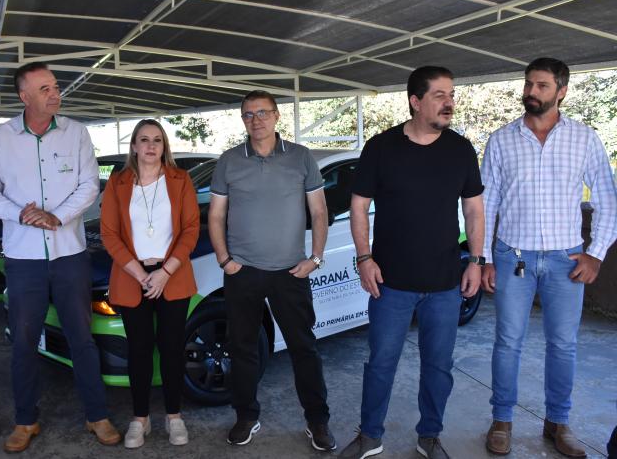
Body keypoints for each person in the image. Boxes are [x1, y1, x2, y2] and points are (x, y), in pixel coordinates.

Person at [0, 62, 120, 452]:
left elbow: (89, 185)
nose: (55, 94)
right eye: (45, 89)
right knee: (23, 342)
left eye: (55, 87)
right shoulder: (1, 139)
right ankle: (26, 421)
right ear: (24, 97)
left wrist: (58, 216)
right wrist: (20, 213)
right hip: (23, 260)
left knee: (81, 338)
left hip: (69, 254)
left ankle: (97, 415)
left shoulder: (76, 133)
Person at [345, 66, 484, 459]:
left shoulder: (461, 150)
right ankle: (370, 436)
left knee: (438, 367)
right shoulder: (381, 147)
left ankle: (430, 436)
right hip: (390, 282)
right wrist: (364, 257)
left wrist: (476, 260)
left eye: (451, 95)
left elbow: (474, 210)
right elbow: (359, 206)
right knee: (380, 364)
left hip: (444, 283)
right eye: (440, 95)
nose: (449, 102)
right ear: (416, 101)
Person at [481, 57, 617, 458]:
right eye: (528, 84)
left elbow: (607, 199)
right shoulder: (501, 140)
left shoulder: (584, 139)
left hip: (565, 261)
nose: (531, 92)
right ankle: (502, 420)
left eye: (541, 85)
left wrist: (595, 255)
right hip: (512, 257)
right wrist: (484, 257)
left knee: (563, 345)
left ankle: (558, 423)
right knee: (508, 342)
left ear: (562, 91)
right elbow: (486, 204)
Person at [208, 90, 336, 451]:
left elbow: (319, 212)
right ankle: (246, 416)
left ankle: (317, 420)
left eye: (263, 112)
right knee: (243, 349)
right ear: (243, 120)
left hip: (291, 272)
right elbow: (216, 215)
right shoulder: (229, 161)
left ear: (277, 116)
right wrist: (224, 260)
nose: (256, 120)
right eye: (249, 114)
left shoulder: (301, 157)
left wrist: (316, 258)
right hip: (243, 272)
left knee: (303, 348)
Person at [100, 119, 200, 448]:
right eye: (144, 139)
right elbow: (109, 234)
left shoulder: (180, 179)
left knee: (172, 348)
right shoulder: (117, 183)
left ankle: (174, 417)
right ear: (134, 146)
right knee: (139, 350)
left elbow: (190, 230)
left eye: (157, 140)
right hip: (132, 276)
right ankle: (140, 419)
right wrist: (141, 274)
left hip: (172, 274)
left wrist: (164, 272)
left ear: (164, 146)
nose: (151, 146)